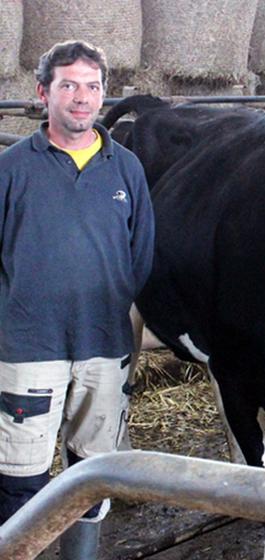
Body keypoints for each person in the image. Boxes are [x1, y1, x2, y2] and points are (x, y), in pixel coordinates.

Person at [0, 40, 154, 558]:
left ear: (104, 95)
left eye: (92, 86)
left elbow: (140, 256)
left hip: (103, 347)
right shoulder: (11, 169)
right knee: (20, 475)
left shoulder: (126, 169)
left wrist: (106, 308)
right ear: (43, 93)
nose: (81, 98)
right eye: (68, 85)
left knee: (92, 473)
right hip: (28, 348)